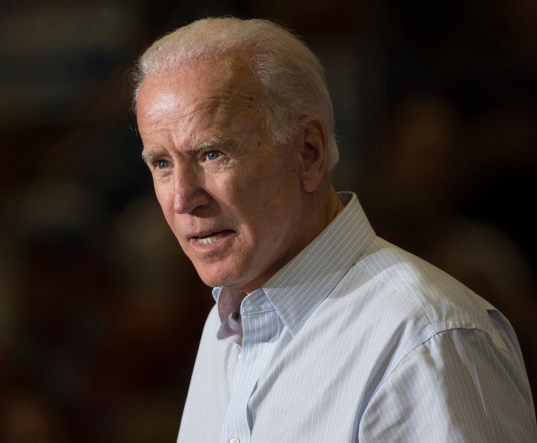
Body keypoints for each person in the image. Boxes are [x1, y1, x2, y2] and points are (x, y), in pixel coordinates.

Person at [130, 16, 537, 442]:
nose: (182, 199)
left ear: (308, 153)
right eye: (161, 163)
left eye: (212, 154)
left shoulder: (426, 339)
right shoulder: (226, 327)